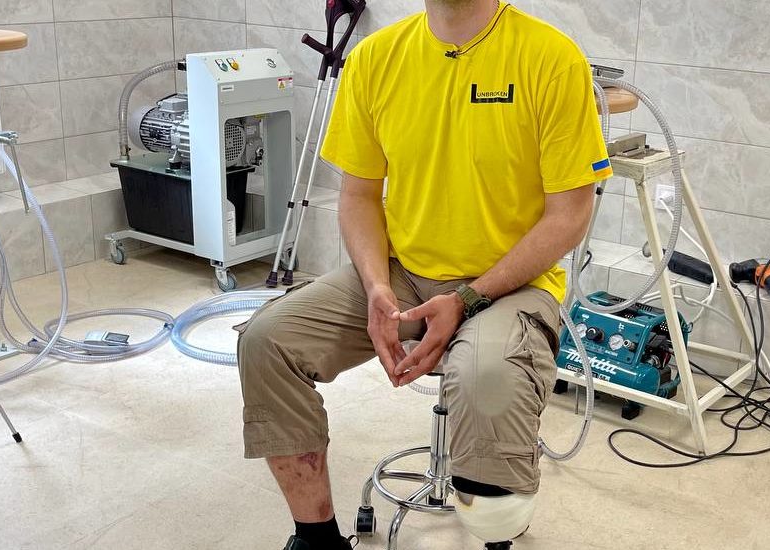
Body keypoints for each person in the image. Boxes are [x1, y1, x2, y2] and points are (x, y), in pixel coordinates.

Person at [236, 1, 610, 548]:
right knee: (268, 341)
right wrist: (375, 286)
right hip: (404, 274)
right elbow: (359, 196)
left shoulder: (551, 59)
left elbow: (570, 215)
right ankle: (315, 539)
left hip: (511, 286)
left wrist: (467, 299)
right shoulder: (376, 59)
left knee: (486, 378)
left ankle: (496, 529)